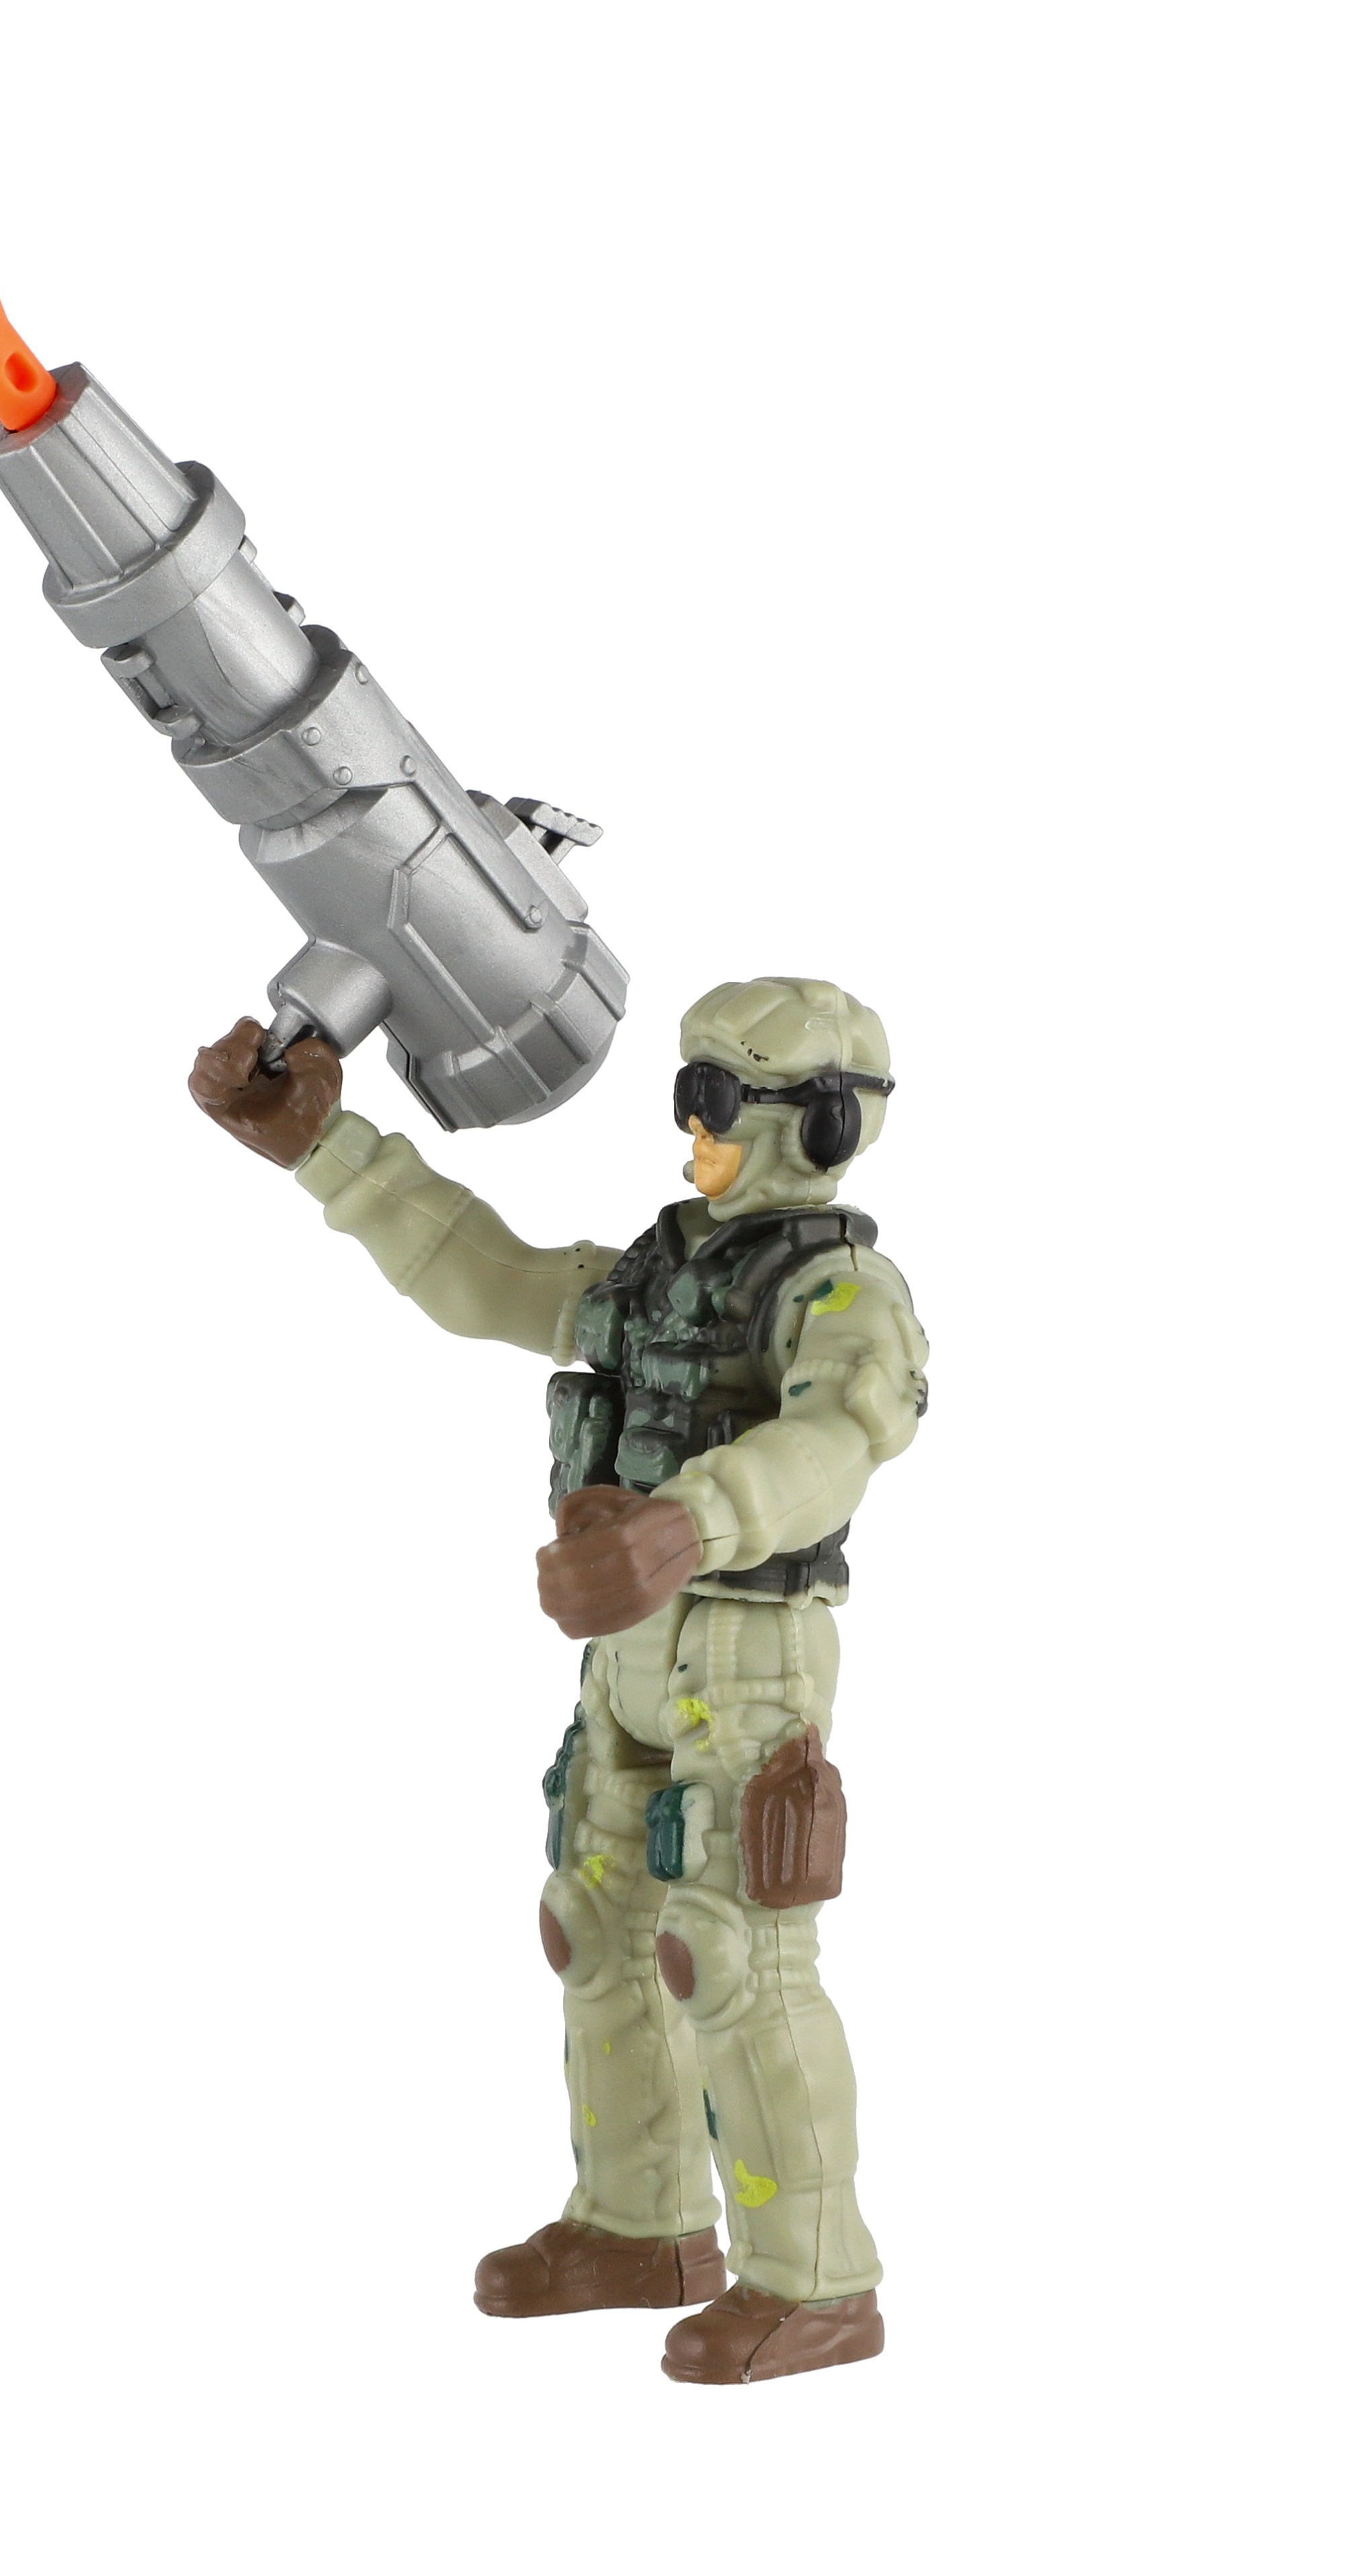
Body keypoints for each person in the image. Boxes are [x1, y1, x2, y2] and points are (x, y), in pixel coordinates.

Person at [187, 977, 929, 2384]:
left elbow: (842, 1437)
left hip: (746, 1651)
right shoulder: (660, 1269)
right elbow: (492, 1275)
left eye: (719, 1098)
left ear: (817, 1124)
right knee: (595, 1924)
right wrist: (323, 1148)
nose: (692, 1125)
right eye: (688, 1091)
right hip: (628, 1649)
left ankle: (815, 2281)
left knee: (731, 1955)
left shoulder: (841, 1293)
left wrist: (684, 1524)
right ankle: (639, 2225)